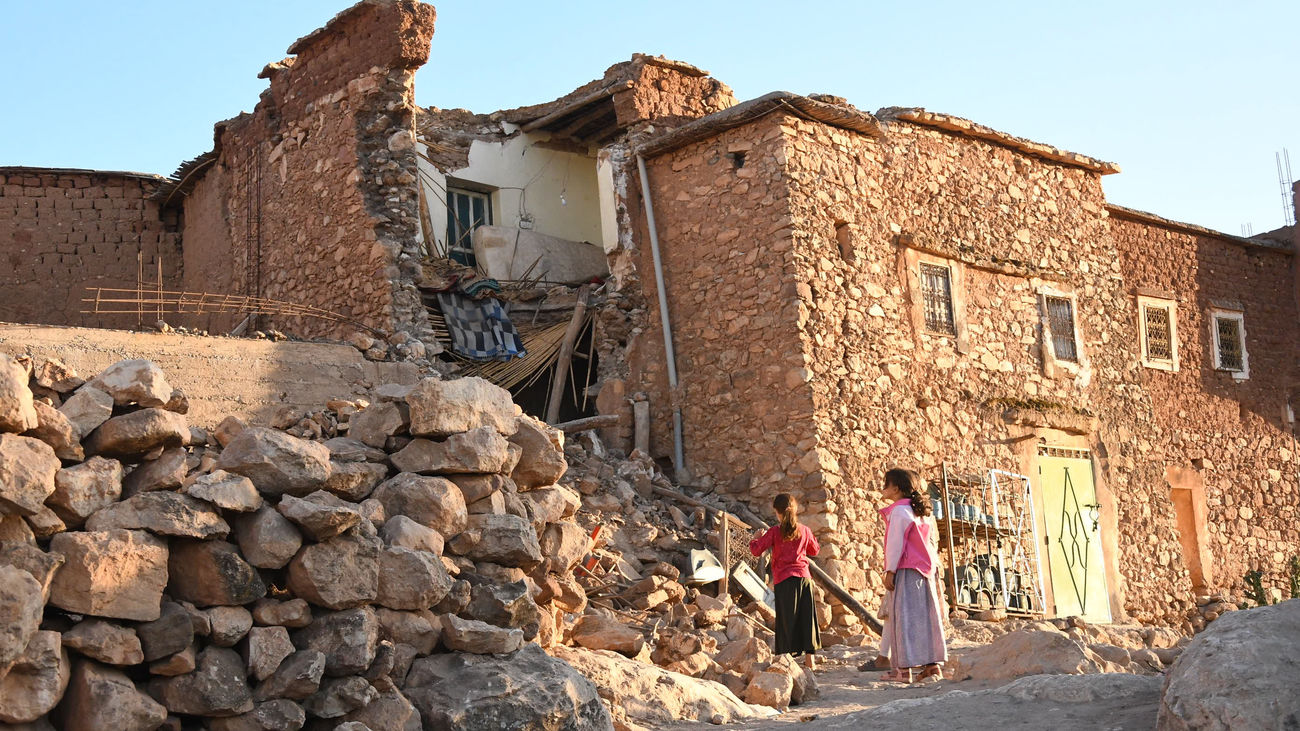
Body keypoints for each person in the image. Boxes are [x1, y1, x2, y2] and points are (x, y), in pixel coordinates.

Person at [876, 468, 947, 682]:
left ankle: (902, 670)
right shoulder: (921, 512)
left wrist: (890, 570)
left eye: (886, 484)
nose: (883, 488)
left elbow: (895, 545)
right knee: (926, 619)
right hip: (925, 572)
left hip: (906, 572)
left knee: (902, 619)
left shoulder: (898, 512)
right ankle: (932, 666)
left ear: (896, 488)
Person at [749, 493, 822, 669]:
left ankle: (785, 658)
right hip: (804, 578)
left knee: (786, 619)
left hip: (784, 580)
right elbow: (815, 550)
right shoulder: (804, 530)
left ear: (777, 512)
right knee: (807, 618)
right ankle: (809, 660)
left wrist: (755, 537)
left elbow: (756, 551)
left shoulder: (774, 532)